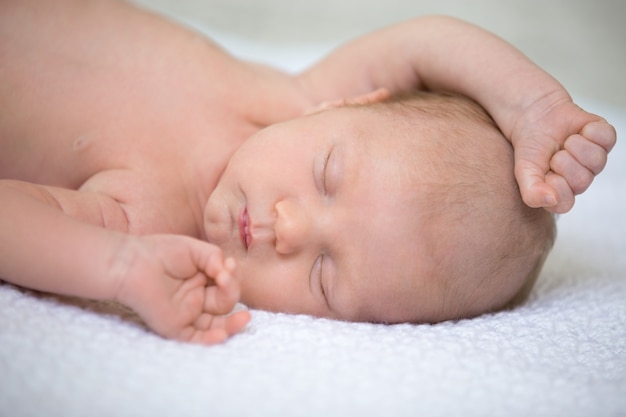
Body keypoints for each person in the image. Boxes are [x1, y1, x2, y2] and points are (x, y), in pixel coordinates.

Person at [0, 0, 615, 344]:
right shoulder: (295, 97)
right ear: (348, 105)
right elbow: (428, 39)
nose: (287, 228)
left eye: (323, 274)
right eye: (327, 175)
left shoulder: (142, 218)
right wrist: (534, 106)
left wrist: (117, 268)